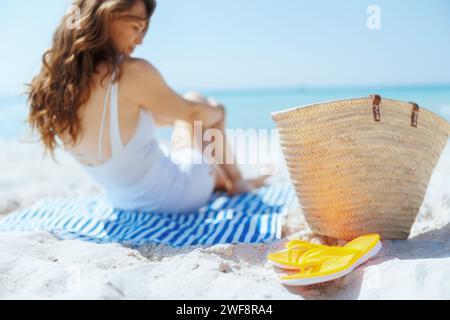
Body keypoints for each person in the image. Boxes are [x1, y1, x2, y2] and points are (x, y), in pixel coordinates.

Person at [26, 0, 266, 214]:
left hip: (123, 201)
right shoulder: (130, 72)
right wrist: (219, 112)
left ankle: (223, 180)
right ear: (108, 16)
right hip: (175, 198)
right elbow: (194, 113)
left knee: (185, 125)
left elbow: (137, 123)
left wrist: (187, 119)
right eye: (136, 27)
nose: (140, 40)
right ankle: (236, 181)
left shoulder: (56, 86)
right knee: (199, 103)